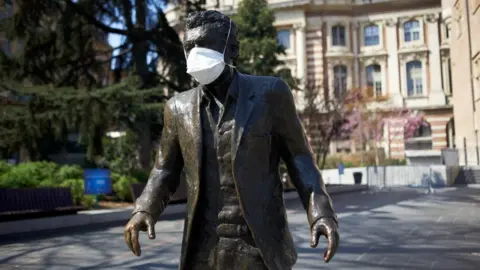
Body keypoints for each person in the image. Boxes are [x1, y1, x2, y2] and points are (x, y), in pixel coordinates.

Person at [124, 10, 339, 270]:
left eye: (205, 45)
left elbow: (300, 158)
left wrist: (320, 213)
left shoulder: (270, 94)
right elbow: (165, 169)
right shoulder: (177, 107)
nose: (195, 53)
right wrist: (144, 209)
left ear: (232, 49)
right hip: (203, 249)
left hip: (258, 246)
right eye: (190, 46)